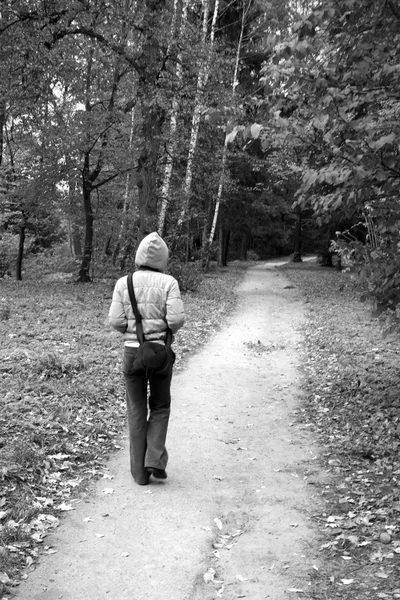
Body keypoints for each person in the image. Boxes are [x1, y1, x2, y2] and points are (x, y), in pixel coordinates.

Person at [109, 232, 185, 485]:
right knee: (161, 405)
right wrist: (163, 333)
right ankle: (153, 458)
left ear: (139, 255)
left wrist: (132, 332)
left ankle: (139, 475)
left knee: (136, 410)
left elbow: (116, 321)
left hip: (132, 354)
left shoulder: (124, 282)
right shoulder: (169, 283)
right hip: (160, 354)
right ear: (163, 257)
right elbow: (175, 320)